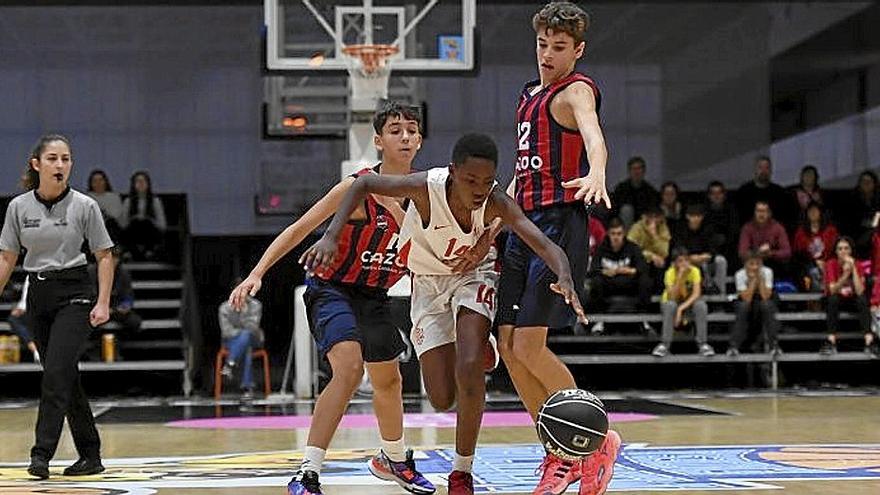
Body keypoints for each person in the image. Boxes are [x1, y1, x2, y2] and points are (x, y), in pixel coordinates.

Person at [303, 133, 586, 495]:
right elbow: (365, 184)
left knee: (469, 364)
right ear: (453, 172)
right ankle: (468, 342)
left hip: (474, 275)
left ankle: (461, 472)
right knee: (441, 397)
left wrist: (565, 275)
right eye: (471, 180)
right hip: (428, 284)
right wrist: (331, 234)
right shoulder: (424, 187)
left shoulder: (496, 200)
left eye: (487, 180)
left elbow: (544, 243)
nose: (480, 188)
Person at [228, 101, 435, 495]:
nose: (405, 136)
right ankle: (307, 472)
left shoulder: (425, 195)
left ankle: (393, 458)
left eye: (411, 129)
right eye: (395, 130)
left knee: (388, 379)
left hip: (375, 293)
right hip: (332, 288)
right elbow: (298, 227)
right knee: (349, 367)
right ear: (378, 141)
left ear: (420, 139)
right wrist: (257, 273)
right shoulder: (357, 188)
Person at [494, 3, 621, 494]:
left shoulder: (576, 91)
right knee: (508, 347)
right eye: (543, 45)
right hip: (521, 227)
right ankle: (559, 453)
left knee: (529, 344)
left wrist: (597, 171)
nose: (548, 55)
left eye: (560, 47)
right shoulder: (529, 94)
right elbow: (522, 169)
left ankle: (596, 440)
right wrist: (491, 225)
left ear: (578, 50)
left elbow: (593, 132)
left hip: (557, 227)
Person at [0, 134, 115, 479]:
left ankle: (40, 455)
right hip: (38, 293)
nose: (60, 165)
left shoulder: (85, 205)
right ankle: (90, 454)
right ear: (37, 165)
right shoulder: (18, 207)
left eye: (66, 159)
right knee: (65, 376)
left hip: (75, 293)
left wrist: (103, 301)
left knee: (54, 375)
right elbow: (7, 257)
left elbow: (104, 255)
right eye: (52, 158)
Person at [587, 217, 652, 334]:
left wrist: (625, 270)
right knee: (596, 282)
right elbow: (593, 270)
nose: (616, 237)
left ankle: (643, 318)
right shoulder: (602, 248)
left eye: (619, 234)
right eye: (613, 234)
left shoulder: (632, 247)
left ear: (624, 234)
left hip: (629, 284)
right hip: (609, 284)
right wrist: (607, 272)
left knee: (645, 281)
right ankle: (600, 321)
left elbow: (643, 267)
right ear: (608, 234)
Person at [652, 247, 714, 358]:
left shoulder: (695, 271)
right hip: (671, 303)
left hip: (688, 303)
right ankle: (664, 345)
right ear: (674, 263)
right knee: (671, 305)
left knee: (701, 305)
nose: (684, 264)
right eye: (680, 261)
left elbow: (696, 294)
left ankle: (703, 344)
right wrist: (680, 276)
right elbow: (672, 297)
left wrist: (681, 309)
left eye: (686, 260)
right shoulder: (669, 273)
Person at [821, 236, 876, 355]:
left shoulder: (857, 264)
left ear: (851, 251)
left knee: (862, 299)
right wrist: (845, 275)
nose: (843, 251)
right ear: (836, 252)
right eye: (840, 249)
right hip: (836, 300)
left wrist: (854, 269)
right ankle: (831, 341)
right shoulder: (831, 264)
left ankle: (869, 341)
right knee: (833, 299)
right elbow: (833, 290)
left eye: (846, 248)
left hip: (852, 300)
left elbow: (860, 290)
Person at [726, 251, 781, 356]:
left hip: (763, 298)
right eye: (751, 264)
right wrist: (753, 282)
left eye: (758, 264)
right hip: (747, 300)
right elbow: (746, 298)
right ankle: (734, 346)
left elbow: (765, 296)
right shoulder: (740, 274)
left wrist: (760, 280)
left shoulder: (767, 272)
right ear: (745, 264)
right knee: (743, 307)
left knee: (767, 306)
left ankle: (774, 345)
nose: (755, 267)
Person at [219, 278, 264, 400]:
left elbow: (253, 327)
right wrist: (241, 334)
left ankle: (230, 363)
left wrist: (243, 310)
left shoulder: (255, 305)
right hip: (231, 341)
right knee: (246, 346)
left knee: (247, 335)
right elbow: (227, 332)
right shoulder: (224, 308)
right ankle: (247, 388)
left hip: (254, 338)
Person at [672, 203, 727, 295]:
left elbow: (713, 250)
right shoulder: (680, 230)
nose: (695, 219)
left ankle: (719, 294)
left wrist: (704, 257)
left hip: (705, 261)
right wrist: (689, 258)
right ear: (687, 216)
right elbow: (677, 250)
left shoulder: (708, 229)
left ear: (702, 217)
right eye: (692, 216)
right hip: (686, 261)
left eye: (698, 216)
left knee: (721, 260)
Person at [88, 249, 142, 335]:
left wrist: (124, 306)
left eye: (115, 259)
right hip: (97, 309)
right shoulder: (92, 272)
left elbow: (128, 295)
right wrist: (100, 307)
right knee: (89, 323)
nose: (112, 262)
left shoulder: (123, 273)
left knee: (134, 322)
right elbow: (89, 295)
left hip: (116, 309)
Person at [736, 156, 793, 229]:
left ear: (771, 171)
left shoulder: (780, 193)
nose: (763, 171)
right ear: (755, 170)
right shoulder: (743, 192)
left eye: (767, 168)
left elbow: (786, 219)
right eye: (760, 167)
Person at [737, 201, 791, 279]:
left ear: (769, 213)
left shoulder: (778, 228)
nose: (761, 214)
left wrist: (771, 253)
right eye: (758, 211)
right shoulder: (747, 228)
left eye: (764, 211)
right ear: (754, 213)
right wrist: (758, 252)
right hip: (752, 263)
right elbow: (742, 252)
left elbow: (787, 252)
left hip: (773, 262)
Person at [121, 170, 167, 260]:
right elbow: (123, 225)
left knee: (145, 223)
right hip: (133, 231)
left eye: (143, 181)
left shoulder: (155, 201)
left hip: (149, 231)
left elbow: (162, 225)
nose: (141, 184)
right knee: (136, 223)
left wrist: (149, 220)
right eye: (138, 181)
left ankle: (150, 251)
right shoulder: (128, 201)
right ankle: (130, 252)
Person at [792, 202, 838, 292]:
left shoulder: (831, 230)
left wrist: (825, 263)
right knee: (812, 272)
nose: (813, 213)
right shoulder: (800, 232)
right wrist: (814, 262)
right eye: (810, 211)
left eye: (815, 210)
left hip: (828, 264)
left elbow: (836, 250)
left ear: (820, 212)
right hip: (807, 266)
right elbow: (797, 254)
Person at [627, 206, 670, 289]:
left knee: (662, 265)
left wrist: (654, 235)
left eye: (656, 217)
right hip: (641, 260)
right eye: (651, 216)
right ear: (644, 216)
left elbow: (664, 252)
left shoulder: (663, 228)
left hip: (657, 262)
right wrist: (651, 256)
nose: (653, 220)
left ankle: (660, 293)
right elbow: (631, 249)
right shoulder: (637, 228)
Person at [611, 156, 659, 229]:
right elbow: (614, 209)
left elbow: (653, 210)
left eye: (639, 168)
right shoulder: (621, 189)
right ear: (629, 171)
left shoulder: (650, 191)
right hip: (624, 225)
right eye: (634, 169)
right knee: (627, 210)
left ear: (643, 171)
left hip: (644, 225)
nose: (636, 172)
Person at [703, 181, 739, 265]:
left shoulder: (731, 211)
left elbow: (734, 231)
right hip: (709, 248)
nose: (716, 196)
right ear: (709, 196)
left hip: (729, 248)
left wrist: (725, 240)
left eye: (719, 193)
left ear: (724, 195)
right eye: (713, 193)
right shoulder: (704, 212)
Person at [6, 276, 40, 362]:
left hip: (43, 309)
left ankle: (39, 349)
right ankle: (35, 350)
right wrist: (21, 308)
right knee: (14, 319)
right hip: (29, 310)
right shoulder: (30, 276)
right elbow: (25, 299)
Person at [85, 169, 124, 242]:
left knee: (110, 224)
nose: (98, 183)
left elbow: (116, 214)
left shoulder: (114, 196)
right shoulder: (86, 198)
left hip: (110, 225)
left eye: (100, 180)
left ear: (105, 182)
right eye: (95, 181)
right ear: (91, 183)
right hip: (93, 226)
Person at [849, 171, 880, 257]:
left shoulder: (878, 199)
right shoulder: (852, 199)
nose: (866, 184)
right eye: (863, 181)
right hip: (858, 235)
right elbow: (850, 222)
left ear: (874, 184)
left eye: (869, 181)